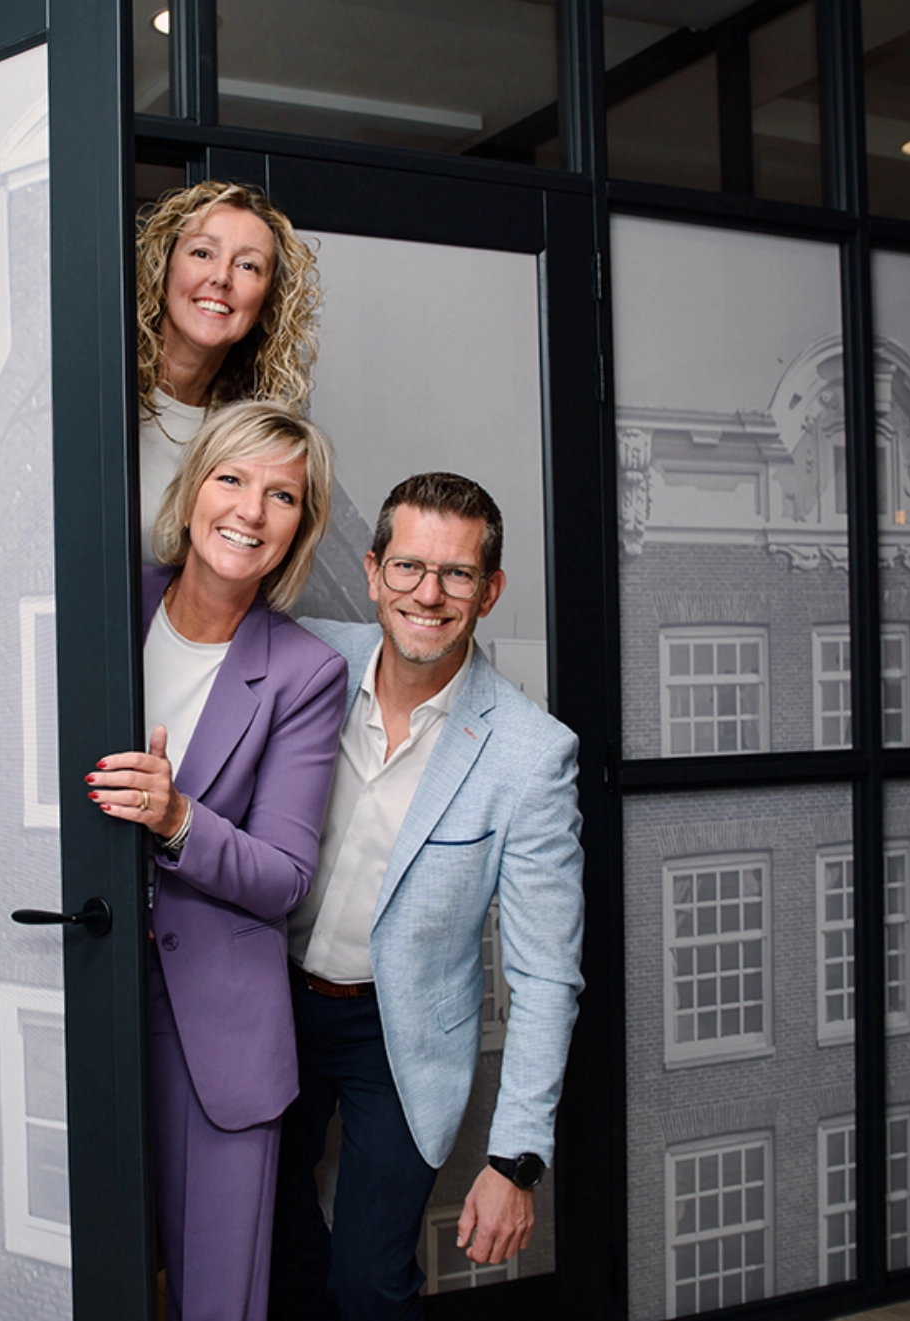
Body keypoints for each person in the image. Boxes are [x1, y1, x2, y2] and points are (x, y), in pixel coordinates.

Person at [270, 473, 585, 1320]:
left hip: (399, 1034)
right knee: (269, 1253)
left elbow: (547, 975)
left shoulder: (531, 754)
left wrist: (515, 1160)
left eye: (457, 574)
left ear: (490, 589)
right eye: (409, 566)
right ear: (374, 572)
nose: (429, 594)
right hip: (271, 1002)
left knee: (368, 1284)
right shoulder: (305, 659)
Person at [89, 401, 350, 1321]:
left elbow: (284, 874)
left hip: (214, 1029)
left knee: (217, 1303)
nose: (250, 509)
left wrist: (177, 818)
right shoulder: (102, 597)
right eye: (232, 478)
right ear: (193, 488)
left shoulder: (305, 672)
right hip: (79, 988)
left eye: (283, 495)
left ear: (301, 527)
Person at [135, 181, 322, 560]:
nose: (221, 277)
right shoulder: (100, 389)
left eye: (248, 266)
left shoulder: (250, 433)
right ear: (163, 269)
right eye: (202, 253)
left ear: (267, 302)